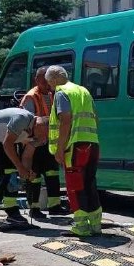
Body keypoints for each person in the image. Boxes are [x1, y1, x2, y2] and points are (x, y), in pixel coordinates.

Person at [45, 65, 102, 237]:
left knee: (75, 186)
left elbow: (65, 121)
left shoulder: (62, 93)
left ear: (54, 79)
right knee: (90, 184)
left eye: (49, 83)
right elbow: (96, 118)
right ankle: (95, 225)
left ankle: (81, 227)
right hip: (92, 143)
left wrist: (60, 149)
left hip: (75, 146)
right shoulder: (83, 90)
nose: (49, 87)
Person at [0, 107, 47, 227]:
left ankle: (12, 210)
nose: (43, 139)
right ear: (38, 125)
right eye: (43, 135)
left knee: (11, 171)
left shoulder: (39, 133)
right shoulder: (21, 119)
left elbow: (27, 156)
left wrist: (27, 172)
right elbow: (7, 145)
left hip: (5, 138)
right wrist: (20, 168)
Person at [19, 66, 69, 219]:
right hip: (34, 142)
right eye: (44, 81)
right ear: (37, 80)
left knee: (52, 173)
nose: (47, 84)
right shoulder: (31, 97)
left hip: (47, 141)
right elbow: (27, 122)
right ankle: (34, 208)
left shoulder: (52, 94)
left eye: (48, 81)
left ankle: (54, 206)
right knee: (34, 175)